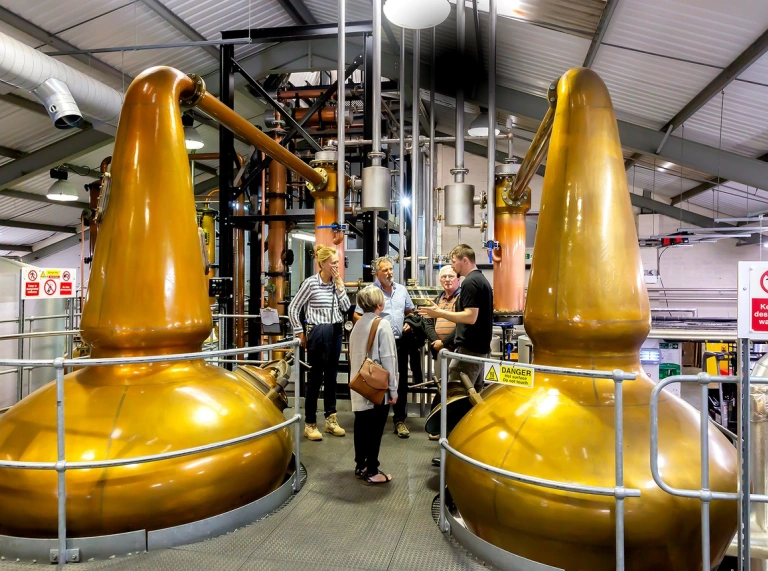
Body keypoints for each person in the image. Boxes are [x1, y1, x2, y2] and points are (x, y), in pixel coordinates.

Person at [288, 244, 350, 441]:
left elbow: (346, 307)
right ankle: (310, 423)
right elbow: (293, 308)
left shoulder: (336, 283)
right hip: (317, 331)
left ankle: (331, 419)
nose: (336, 267)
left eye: (337, 263)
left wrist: (340, 287)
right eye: (332, 263)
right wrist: (299, 332)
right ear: (321, 264)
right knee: (315, 379)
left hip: (335, 331)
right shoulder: (310, 283)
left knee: (332, 377)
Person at [354, 256, 415, 438]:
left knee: (400, 380)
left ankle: (399, 420)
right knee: (376, 378)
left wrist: (409, 323)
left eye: (391, 269)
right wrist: (375, 324)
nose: (389, 273)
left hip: (399, 342)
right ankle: (373, 414)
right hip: (377, 343)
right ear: (376, 273)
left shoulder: (402, 290)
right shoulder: (370, 292)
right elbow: (357, 316)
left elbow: (410, 312)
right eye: (385, 270)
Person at [418, 244, 493, 392]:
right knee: (471, 397)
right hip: (478, 349)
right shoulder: (481, 279)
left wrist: (440, 313)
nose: (452, 266)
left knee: (455, 395)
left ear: (464, 260)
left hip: (469, 350)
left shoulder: (470, 282)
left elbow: (470, 317)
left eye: (453, 261)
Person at [349, 286, 398, 484]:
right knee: (375, 430)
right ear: (380, 303)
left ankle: (360, 465)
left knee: (361, 425)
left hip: (359, 385)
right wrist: (393, 389)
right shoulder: (382, 324)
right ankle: (373, 470)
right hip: (376, 388)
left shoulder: (357, 325)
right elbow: (389, 358)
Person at [422, 265, 461, 440]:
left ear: (458, 279)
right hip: (440, 352)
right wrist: (436, 342)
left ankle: (451, 429)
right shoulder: (438, 299)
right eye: (444, 276)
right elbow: (428, 323)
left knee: (455, 389)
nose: (447, 279)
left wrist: (444, 342)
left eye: (451, 276)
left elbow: (462, 324)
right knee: (441, 388)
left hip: (455, 351)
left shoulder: (461, 299)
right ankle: (438, 427)